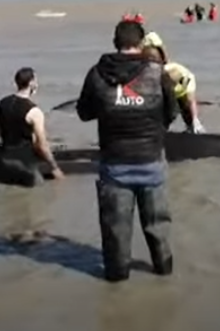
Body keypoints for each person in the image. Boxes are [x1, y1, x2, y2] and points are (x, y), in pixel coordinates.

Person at [76, 15, 178, 282]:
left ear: (115, 42)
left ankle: (117, 284)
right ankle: (164, 276)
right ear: (141, 43)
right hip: (152, 162)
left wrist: (111, 109)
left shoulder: (97, 73)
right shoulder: (158, 73)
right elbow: (172, 113)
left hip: (115, 166)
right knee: (158, 229)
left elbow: (84, 113)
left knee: (116, 233)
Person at [0, 67, 64, 184]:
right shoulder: (34, 112)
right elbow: (42, 145)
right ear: (31, 83)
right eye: (36, 81)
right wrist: (55, 168)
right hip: (25, 165)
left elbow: (1, 133)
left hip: (5, 159)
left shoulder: (3, 103)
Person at [142, 31, 205, 133]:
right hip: (167, 83)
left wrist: (195, 119)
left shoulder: (179, 74)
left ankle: (194, 125)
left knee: (186, 107)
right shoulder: (144, 44)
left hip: (181, 84)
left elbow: (190, 99)